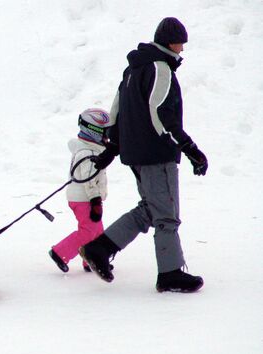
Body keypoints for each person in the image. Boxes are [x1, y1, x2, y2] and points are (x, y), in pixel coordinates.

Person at [79, 17, 208, 293]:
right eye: (179, 43)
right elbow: (161, 114)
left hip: (137, 155)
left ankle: (99, 249)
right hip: (156, 154)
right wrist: (190, 149)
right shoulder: (160, 68)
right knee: (167, 215)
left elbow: (116, 114)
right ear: (167, 42)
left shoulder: (131, 71)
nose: (182, 49)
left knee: (151, 209)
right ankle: (171, 274)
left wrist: (111, 150)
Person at [49, 108, 113, 273]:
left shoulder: (90, 149)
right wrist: (95, 202)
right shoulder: (88, 153)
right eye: (105, 133)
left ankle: (93, 259)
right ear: (94, 132)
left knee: (97, 231)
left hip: (85, 197)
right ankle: (60, 252)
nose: (108, 137)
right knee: (88, 232)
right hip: (85, 199)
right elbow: (89, 180)